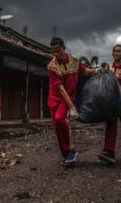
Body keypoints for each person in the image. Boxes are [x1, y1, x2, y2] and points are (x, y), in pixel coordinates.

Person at [47, 37, 97, 166]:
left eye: (58, 51)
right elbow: (60, 88)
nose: (56, 54)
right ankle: (67, 156)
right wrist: (72, 107)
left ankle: (71, 151)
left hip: (68, 97)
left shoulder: (75, 61)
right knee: (57, 127)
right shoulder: (52, 66)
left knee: (59, 119)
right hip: (56, 98)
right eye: (53, 52)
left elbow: (84, 70)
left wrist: (96, 71)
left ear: (64, 48)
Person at [98, 44, 121, 164]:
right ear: (112, 53)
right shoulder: (108, 67)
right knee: (111, 125)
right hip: (112, 101)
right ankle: (109, 151)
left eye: (119, 51)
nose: (116, 53)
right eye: (114, 51)